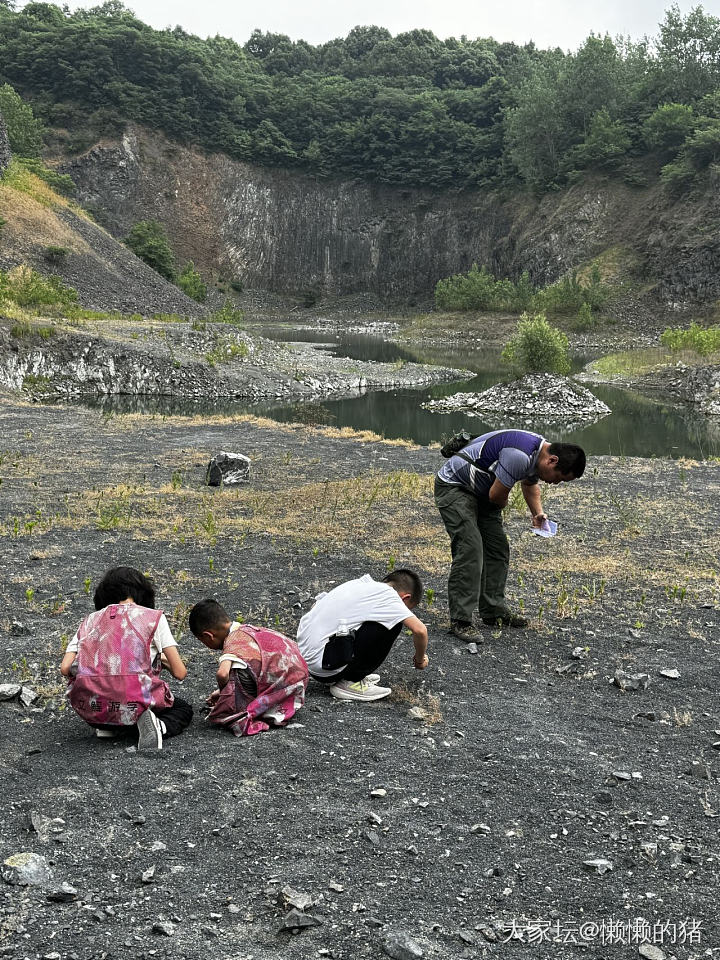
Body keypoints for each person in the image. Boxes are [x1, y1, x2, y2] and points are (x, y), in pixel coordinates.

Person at [435, 429, 586, 641]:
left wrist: (538, 513)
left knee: (497, 549)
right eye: (559, 478)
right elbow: (497, 496)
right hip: (455, 486)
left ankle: (493, 611)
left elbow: (529, 483)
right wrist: (501, 502)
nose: (555, 483)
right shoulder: (519, 455)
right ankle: (461, 620)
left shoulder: (538, 453)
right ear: (552, 460)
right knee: (470, 548)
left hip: (482, 492)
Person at [60, 566, 193, 750]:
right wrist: (159, 658)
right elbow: (180, 672)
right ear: (142, 592)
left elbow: (65, 668)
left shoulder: (89, 620)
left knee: (112, 704)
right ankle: (158, 727)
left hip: (94, 711)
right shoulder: (153, 618)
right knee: (183, 708)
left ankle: (111, 727)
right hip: (135, 704)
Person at [296, 569, 429, 702]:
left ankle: (344, 672)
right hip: (325, 669)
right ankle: (351, 681)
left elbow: (315, 606)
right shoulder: (389, 597)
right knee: (395, 624)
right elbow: (420, 630)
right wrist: (420, 660)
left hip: (304, 661)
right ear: (406, 597)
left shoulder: (359, 584)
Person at [188, 599, 309, 736]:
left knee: (236, 671)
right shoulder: (249, 630)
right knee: (246, 665)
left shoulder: (233, 642)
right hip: (300, 680)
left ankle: (247, 709)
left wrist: (225, 693)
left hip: (286, 685)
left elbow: (222, 674)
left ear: (208, 636)